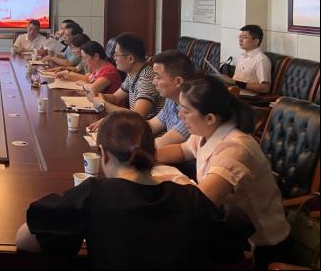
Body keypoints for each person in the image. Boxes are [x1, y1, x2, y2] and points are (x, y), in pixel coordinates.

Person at [16, 111, 245, 269]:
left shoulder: (94, 194)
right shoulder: (190, 197)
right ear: (153, 152)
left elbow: (24, 240)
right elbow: (230, 249)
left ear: (103, 154)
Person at [157, 77, 289, 268]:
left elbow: (199, 204)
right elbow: (182, 150)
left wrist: (170, 180)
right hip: (228, 224)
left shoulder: (234, 149)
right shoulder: (209, 131)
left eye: (186, 110)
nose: (179, 114)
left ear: (210, 118)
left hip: (257, 245)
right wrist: (140, 155)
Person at [92, 33, 163, 120]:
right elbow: (116, 98)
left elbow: (137, 116)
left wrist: (103, 105)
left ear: (130, 59)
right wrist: (100, 96)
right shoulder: (132, 73)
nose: (114, 58)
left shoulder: (147, 78)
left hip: (146, 127)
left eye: (116, 55)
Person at [148, 50, 194, 148]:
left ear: (178, 81)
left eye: (158, 77)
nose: (153, 82)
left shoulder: (193, 109)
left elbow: (160, 144)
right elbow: (150, 126)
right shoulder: (171, 100)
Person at [223, 25, 272, 95]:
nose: (240, 40)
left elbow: (265, 88)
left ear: (256, 41)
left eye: (245, 37)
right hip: (234, 92)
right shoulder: (242, 56)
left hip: (246, 97)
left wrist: (238, 83)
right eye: (240, 37)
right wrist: (228, 80)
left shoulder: (261, 60)